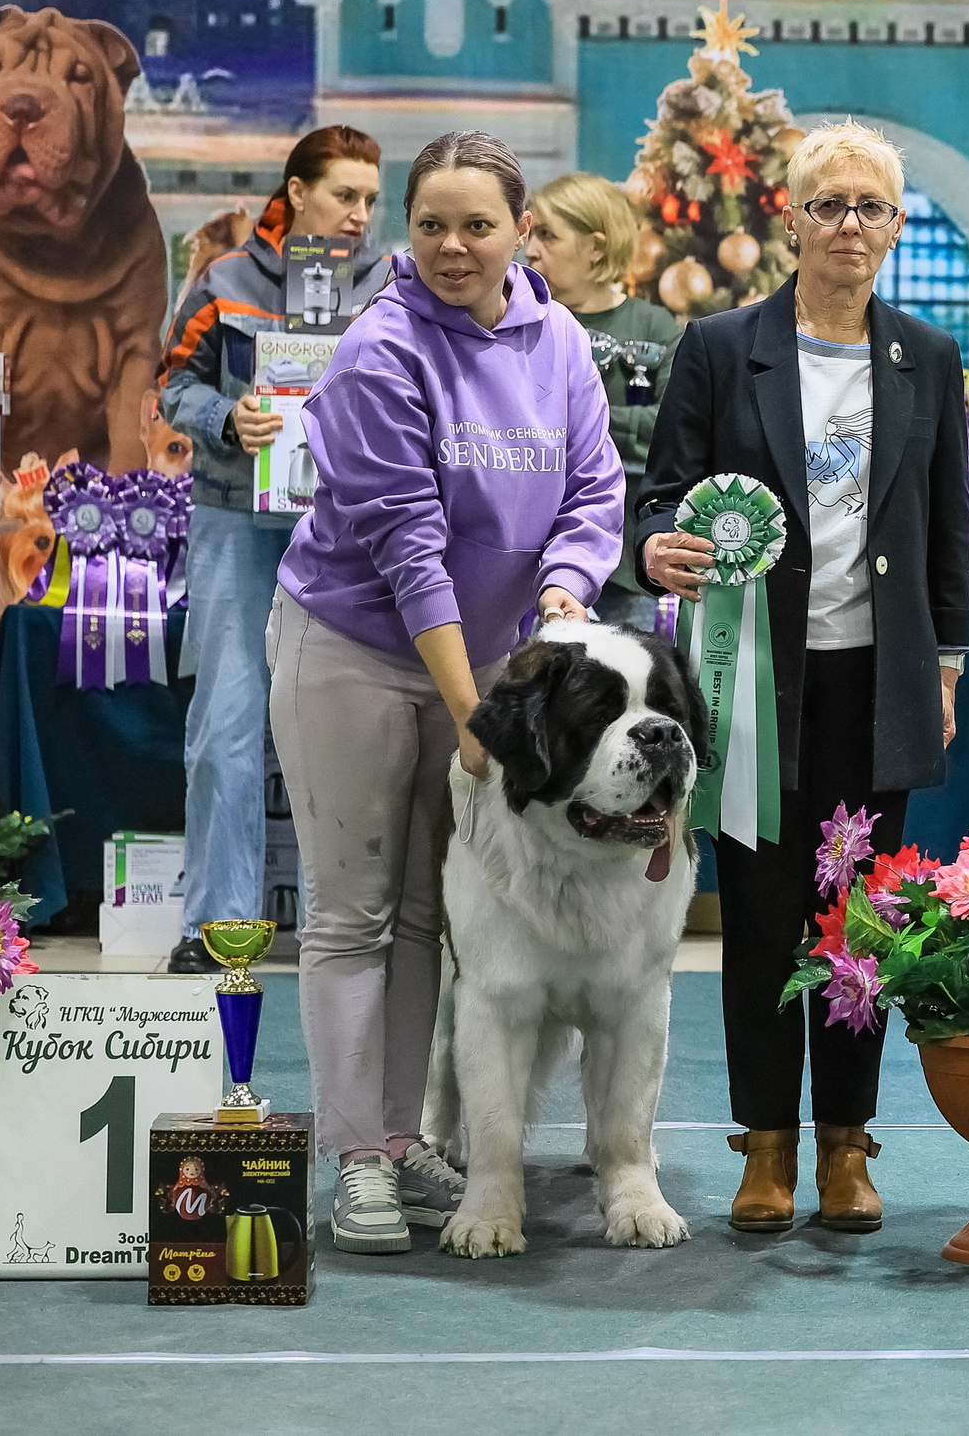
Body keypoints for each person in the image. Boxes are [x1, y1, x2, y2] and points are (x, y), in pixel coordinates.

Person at [268, 130, 623, 1254]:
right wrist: (482, 714)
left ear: (525, 229)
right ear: (404, 232)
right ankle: (355, 1157)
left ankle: (400, 1135)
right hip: (360, 648)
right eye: (431, 226)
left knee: (429, 914)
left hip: (486, 665)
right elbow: (409, 552)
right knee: (351, 909)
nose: (454, 247)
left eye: (479, 225)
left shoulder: (560, 339)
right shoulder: (376, 353)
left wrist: (566, 591)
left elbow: (593, 488)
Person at [636, 120, 969, 1238]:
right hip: (754, 685)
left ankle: (846, 1146)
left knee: (856, 926)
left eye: (869, 207)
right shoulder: (721, 347)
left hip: (877, 684)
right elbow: (660, 495)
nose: (847, 226)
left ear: (894, 226)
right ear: (788, 218)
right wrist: (659, 548)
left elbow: (945, 535)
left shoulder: (926, 357)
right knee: (763, 924)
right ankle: (764, 1147)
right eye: (826, 204)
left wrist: (949, 663)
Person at [158, 128, 389, 976]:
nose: (361, 214)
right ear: (296, 193)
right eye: (344, 195)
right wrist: (228, 418)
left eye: (370, 198)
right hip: (234, 524)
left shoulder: (391, 287)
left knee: (366, 731)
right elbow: (170, 383)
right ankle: (216, 927)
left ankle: (366, 929)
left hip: (355, 536)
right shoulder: (221, 282)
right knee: (224, 727)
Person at [525, 171, 683, 630]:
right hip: (528, 561)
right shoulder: (520, 322)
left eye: (548, 235)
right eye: (530, 234)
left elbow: (670, 429)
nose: (531, 249)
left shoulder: (653, 326)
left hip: (624, 565)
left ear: (595, 247)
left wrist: (579, 421)